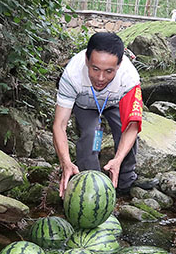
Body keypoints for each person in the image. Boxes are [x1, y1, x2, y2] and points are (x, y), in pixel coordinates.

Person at [53, 32, 144, 196]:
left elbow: (132, 126)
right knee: (90, 135)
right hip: (85, 105)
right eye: (95, 69)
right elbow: (59, 125)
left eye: (109, 71)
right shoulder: (71, 75)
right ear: (87, 60)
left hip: (115, 103)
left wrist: (117, 160)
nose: (100, 78)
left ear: (119, 64)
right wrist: (65, 162)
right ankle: (89, 187)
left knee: (125, 132)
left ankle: (125, 181)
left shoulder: (129, 79)